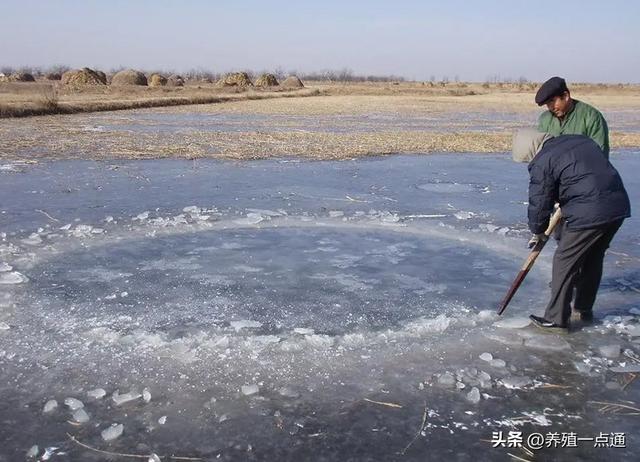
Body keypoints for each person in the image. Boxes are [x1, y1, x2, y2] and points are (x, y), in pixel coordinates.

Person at [512, 128, 630, 333]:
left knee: (564, 261)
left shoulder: (543, 160)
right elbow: (582, 176)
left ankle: (556, 319)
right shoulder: (579, 141)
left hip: (589, 212)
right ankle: (583, 307)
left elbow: (539, 202)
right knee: (593, 258)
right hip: (617, 206)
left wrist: (538, 230)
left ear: (531, 150)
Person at [536, 76, 610, 158]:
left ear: (565, 96)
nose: (551, 107)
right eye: (547, 104)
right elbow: (541, 153)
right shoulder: (545, 119)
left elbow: (600, 155)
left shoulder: (591, 117)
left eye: (552, 101)